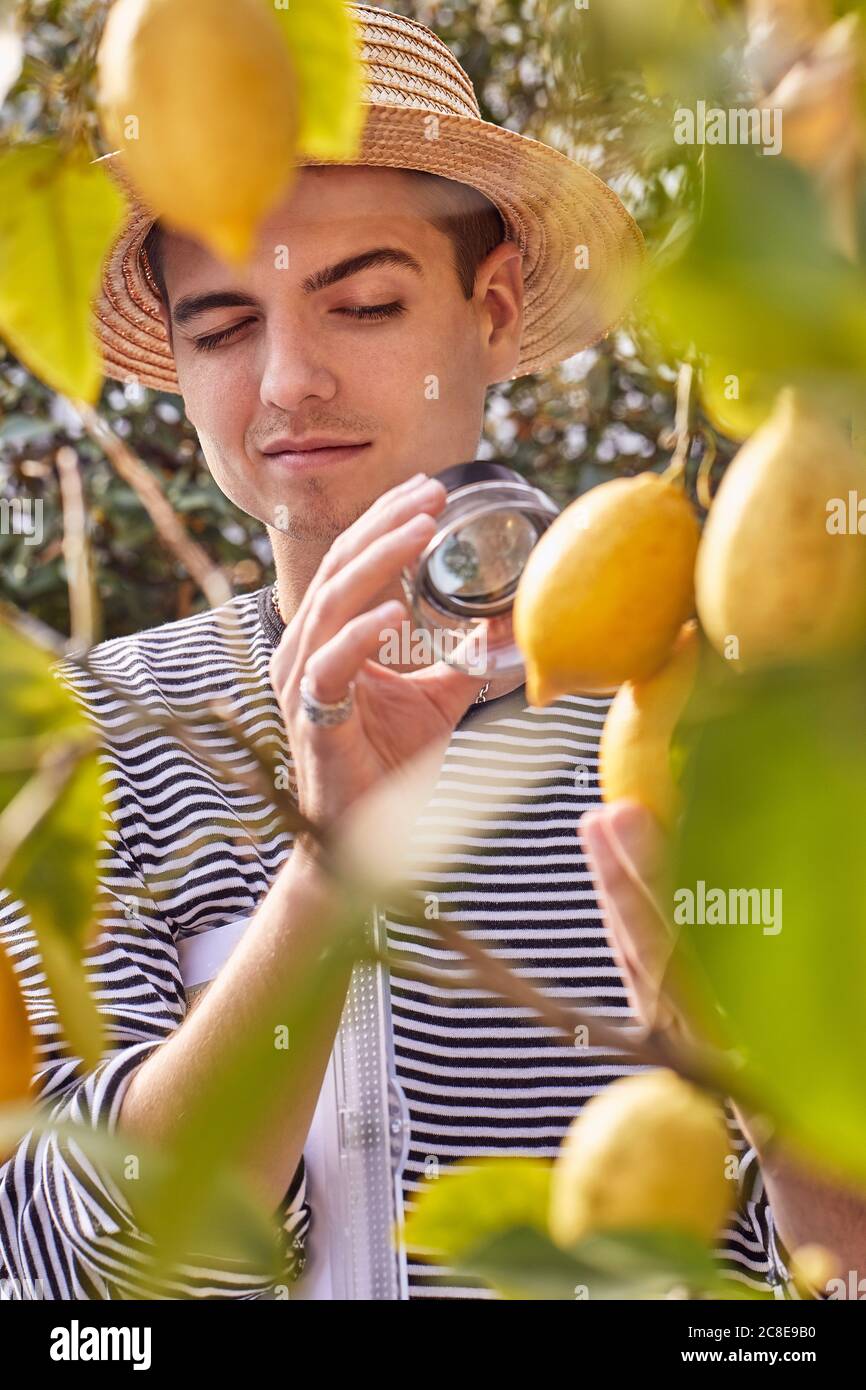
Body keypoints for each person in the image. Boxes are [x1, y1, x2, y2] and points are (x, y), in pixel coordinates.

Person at [3, 2, 857, 1302]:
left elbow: (827, 1271)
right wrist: (323, 879)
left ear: (494, 309)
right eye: (224, 326)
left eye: (363, 303)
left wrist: (761, 1081)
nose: (287, 379)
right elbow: (72, 1283)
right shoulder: (100, 734)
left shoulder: (687, 733)